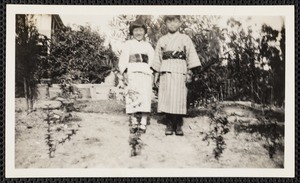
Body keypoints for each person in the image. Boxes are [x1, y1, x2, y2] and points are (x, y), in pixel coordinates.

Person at [151, 15, 201, 136]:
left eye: (175, 21)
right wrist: (156, 75)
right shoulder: (162, 40)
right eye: (169, 21)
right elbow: (157, 58)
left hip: (180, 69)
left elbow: (191, 55)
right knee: (167, 96)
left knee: (179, 97)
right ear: (165, 24)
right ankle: (169, 123)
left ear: (179, 23)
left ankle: (178, 123)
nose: (172, 24)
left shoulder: (185, 38)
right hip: (166, 70)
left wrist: (190, 72)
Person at [118, 19, 154, 133]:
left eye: (141, 30)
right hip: (132, 72)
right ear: (132, 32)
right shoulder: (128, 44)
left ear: (144, 32)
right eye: (136, 30)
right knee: (132, 96)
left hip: (145, 73)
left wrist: (151, 72)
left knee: (145, 97)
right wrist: (124, 73)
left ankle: (143, 122)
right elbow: (123, 59)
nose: (138, 33)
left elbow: (152, 60)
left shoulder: (148, 45)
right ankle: (133, 122)